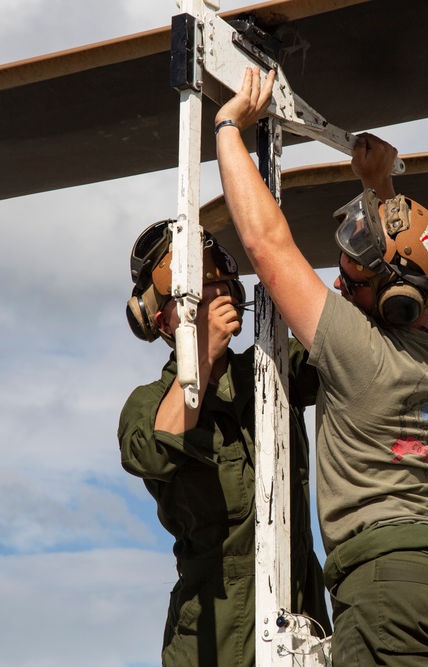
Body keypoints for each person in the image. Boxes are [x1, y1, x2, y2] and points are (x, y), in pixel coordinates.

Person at [213, 68, 428, 665]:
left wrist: (227, 129)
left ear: (396, 301)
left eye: (353, 280)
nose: (338, 282)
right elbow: (406, 260)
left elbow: (268, 246)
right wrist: (381, 185)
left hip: (390, 592)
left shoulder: (359, 355)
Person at [117, 221, 331, 667]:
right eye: (190, 298)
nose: (209, 299)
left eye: (216, 286)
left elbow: (341, 350)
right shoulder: (149, 403)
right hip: (213, 640)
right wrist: (202, 354)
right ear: (163, 321)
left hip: (301, 632)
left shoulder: (271, 365)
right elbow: (153, 450)